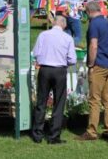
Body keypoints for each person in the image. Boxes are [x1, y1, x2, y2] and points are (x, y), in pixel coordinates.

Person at [31, 16, 76, 144]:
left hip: (44, 69)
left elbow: (35, 53)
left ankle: (37, 134)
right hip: (59, 70)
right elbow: (72, 60)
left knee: (41, 102)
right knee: (59, 103)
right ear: (64, 25)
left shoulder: (43, 35)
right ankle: (54, 135)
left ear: (54, 22)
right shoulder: (68, 38)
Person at [77, 1, 108, 141]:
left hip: (98, 64)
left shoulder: (94, 24)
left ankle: (92, 131)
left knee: (94, 99)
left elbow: (93, 46)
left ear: (88, 11)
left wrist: (91, 65)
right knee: (107, 99)